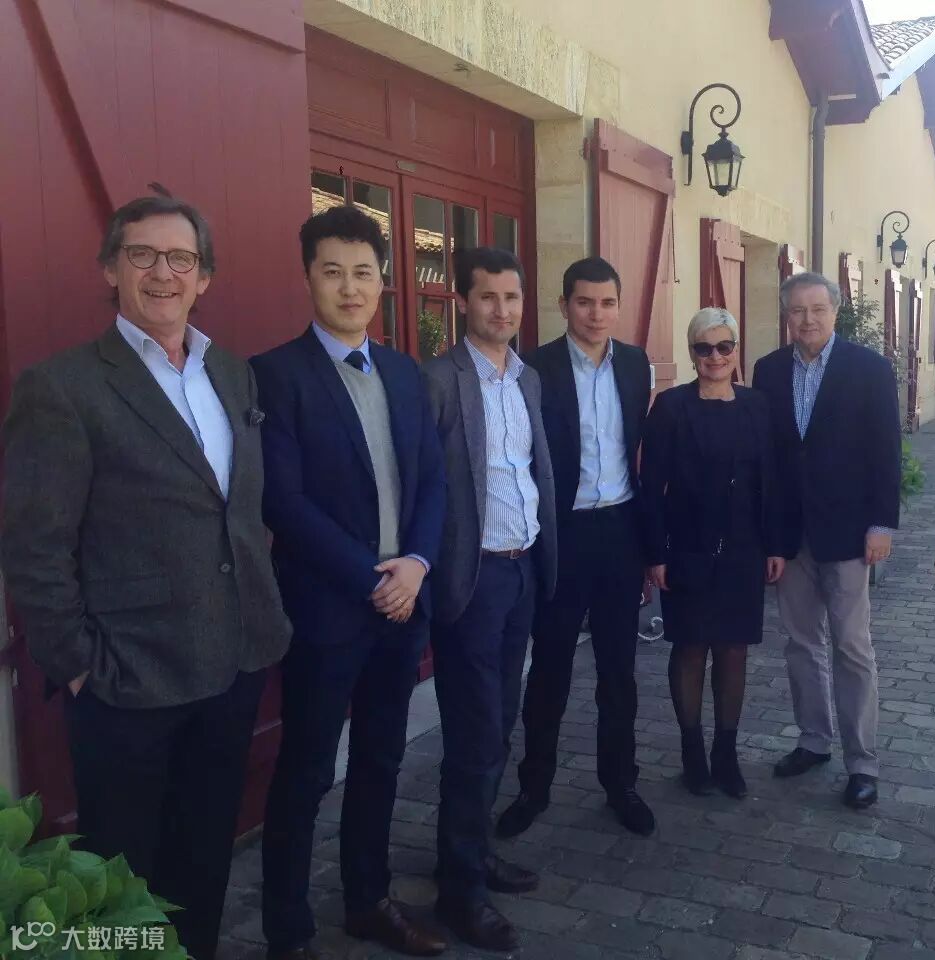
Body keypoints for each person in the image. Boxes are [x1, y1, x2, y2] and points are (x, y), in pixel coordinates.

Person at [0, 190, 292, 960]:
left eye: (181, 258)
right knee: (124, 880)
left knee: (204, 858)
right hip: (127, 681)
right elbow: (34, 546)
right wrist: (77, 666)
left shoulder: (232, 373)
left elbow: (234, 512)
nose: (163, 273)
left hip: (233, 664)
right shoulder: (62, 387)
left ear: (205, 277)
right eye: (143, 255)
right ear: (111, 268)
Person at [252, 206, 448, 959]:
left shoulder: (403, 371)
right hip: (327, 611)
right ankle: (288, 931)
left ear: (383, 280)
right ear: (308, 278)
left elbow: (431, 481)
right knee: (305, 773)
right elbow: (283, 501)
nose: (349, 287)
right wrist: (373, 578)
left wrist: (417, 563)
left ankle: (368, 900)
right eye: (332, 271)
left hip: (402, 606)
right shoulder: (276, 374)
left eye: (363, 272)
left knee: (381, 760)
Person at [422, 247, 556, 952]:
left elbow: (530, 471)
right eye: (488, 297)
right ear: (463, 303)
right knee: (474, 736)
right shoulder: (438, 381)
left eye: (512, 297)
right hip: (471, 581)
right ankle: (460, 893)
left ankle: (470, 851)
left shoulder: (527, 378)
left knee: (500, 723)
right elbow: (423, 484)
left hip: (522, 570)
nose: (502, 310)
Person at [496, 257, 654, 839]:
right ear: (563, 305)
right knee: (551, 669)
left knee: (619, 670)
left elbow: (639, 449)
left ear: (618, 306)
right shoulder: (534, 369)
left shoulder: (635, 364)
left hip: (620, 532)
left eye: (607, 302)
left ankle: (621, 784)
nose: (596, 314)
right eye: (584, 302)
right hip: (561, 534)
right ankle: (533, 788)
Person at [752, 272, 901, 811]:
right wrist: (767, 534)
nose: (807, 319)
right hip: (791, 535)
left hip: (848, 532)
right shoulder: (768, 370)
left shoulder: (869, 369)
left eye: (817, 309)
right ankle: (813, 740)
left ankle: (863, 763)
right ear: (786, 315)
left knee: (852, 647)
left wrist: (881, 523)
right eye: (797, 310)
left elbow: (886, 450)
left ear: (835, 311)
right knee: (800, 643)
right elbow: (768, 457)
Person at [641, 308, 786, 797]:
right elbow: (651, 484)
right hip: (687, 547)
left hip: (744, 549)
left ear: (736, 350)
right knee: (689, 648)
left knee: (732, 649)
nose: (716, 356)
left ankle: (726, 754)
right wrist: (656, 552)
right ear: (691, 353)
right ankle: (692, 752)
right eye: (704, 348)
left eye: (725, 346)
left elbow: (771, 480)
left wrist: (775, 544)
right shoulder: (670, 407)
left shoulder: (757, 406)